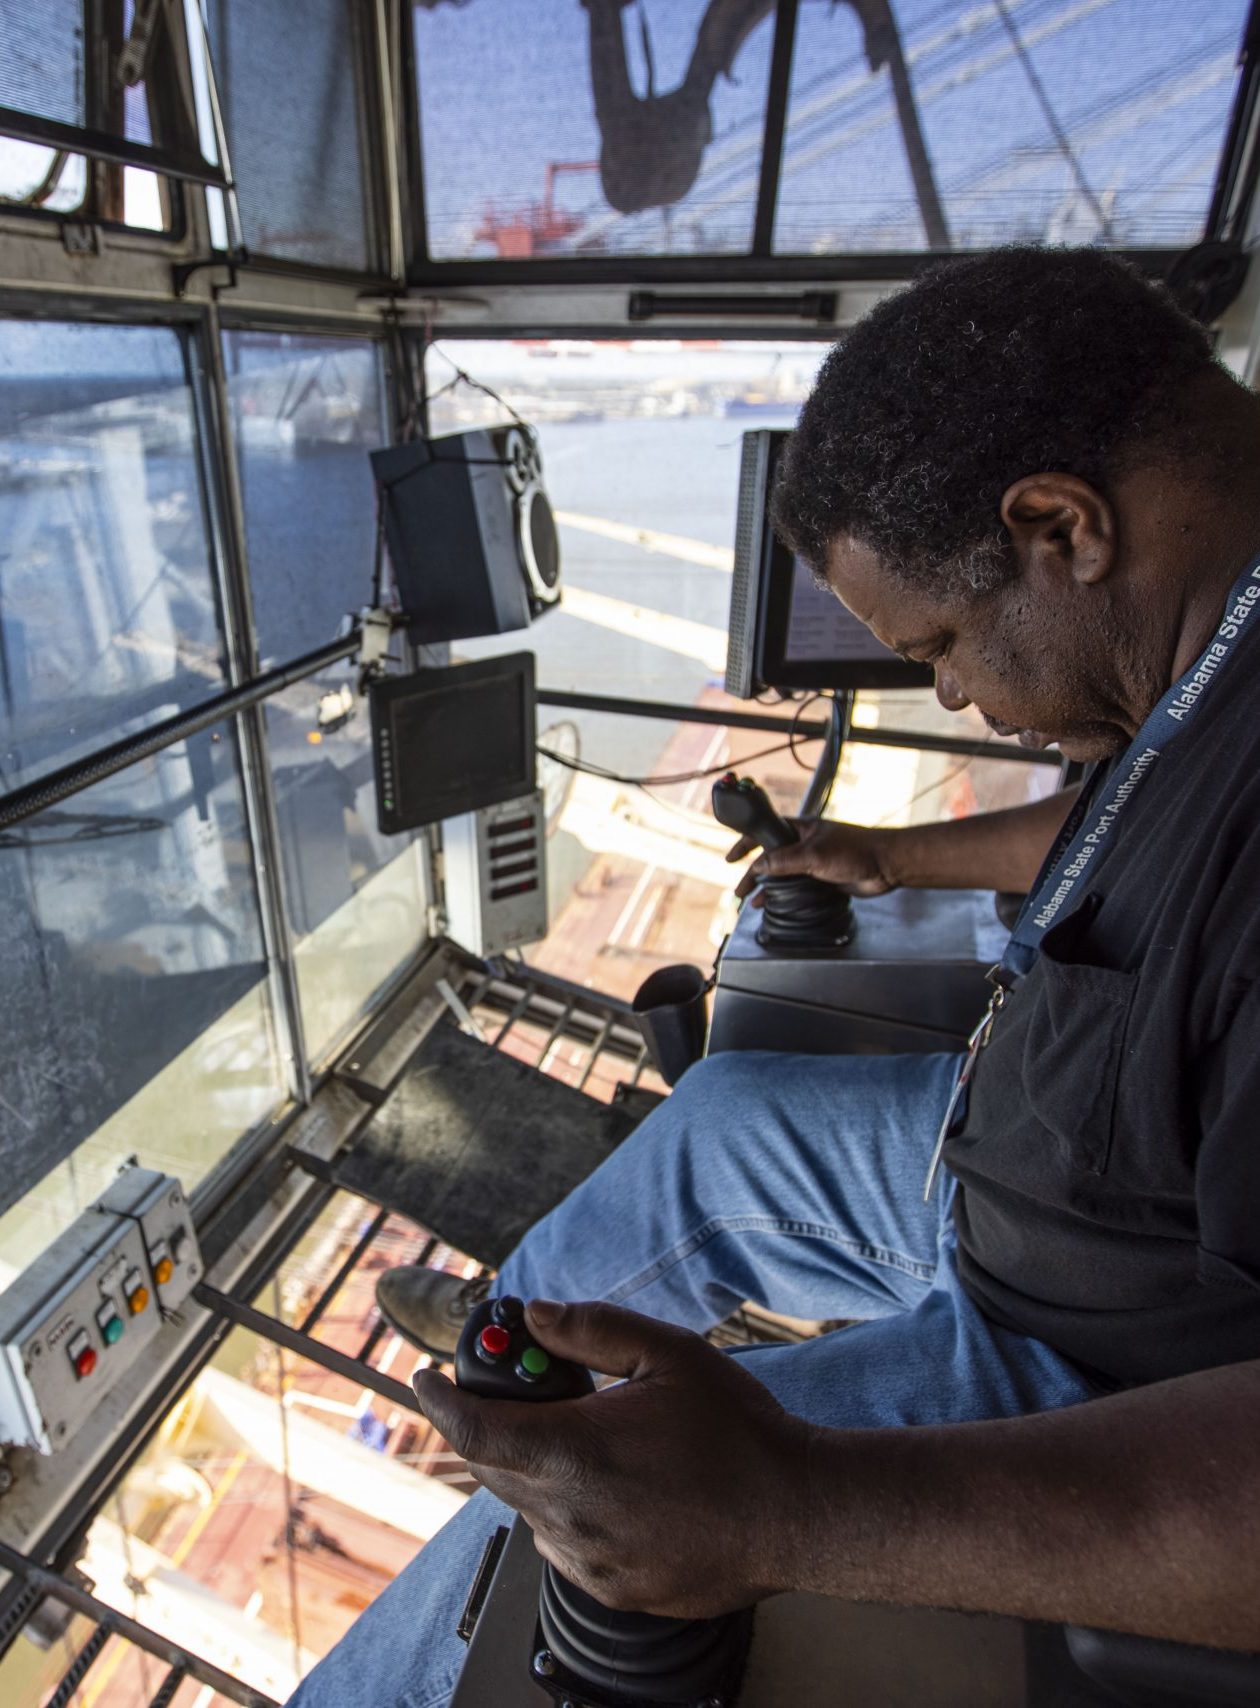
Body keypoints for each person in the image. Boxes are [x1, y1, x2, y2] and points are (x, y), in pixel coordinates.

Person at [286, 247, 1260, 1707]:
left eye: (935, 645)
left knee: (529, 1542)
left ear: (1060, 526)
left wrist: (778, 1504)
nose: (947, 695)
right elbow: (1133, 816)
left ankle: (535, 1470)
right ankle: (513, 1351)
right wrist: (883, 860)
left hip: (1088, 1345)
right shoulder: (1209, 657)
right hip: (1023, 1165)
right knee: (730, 1104)